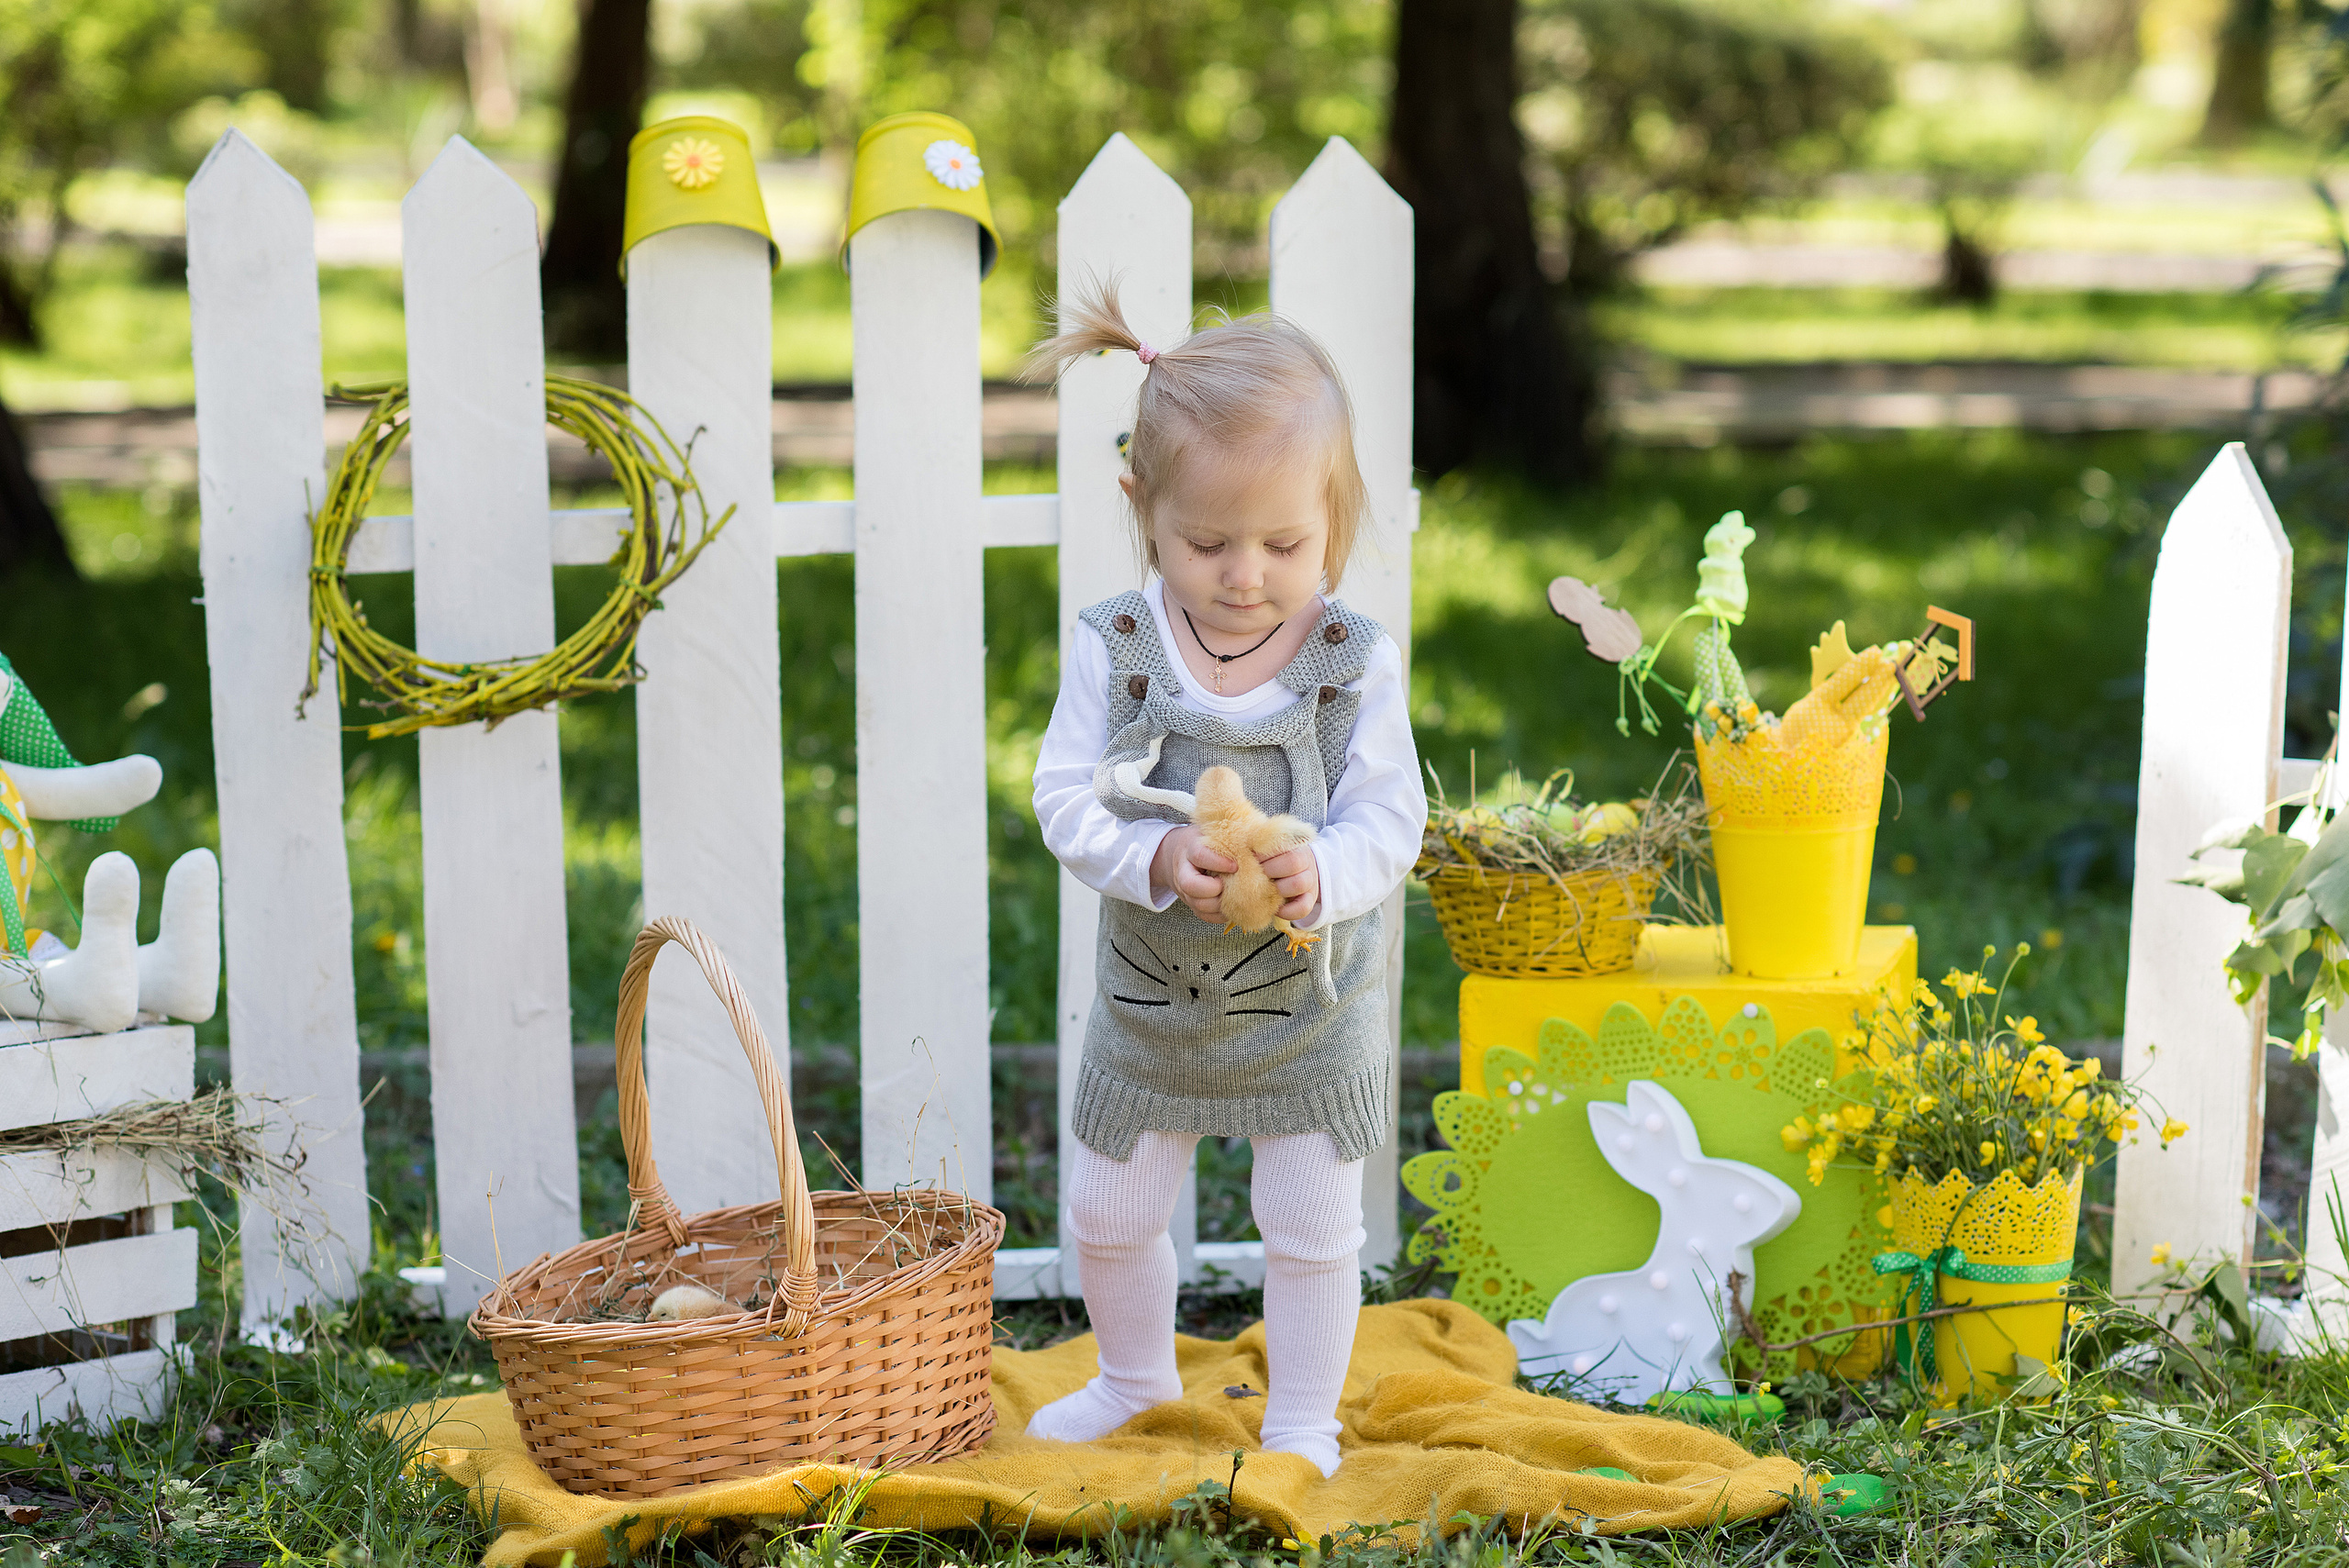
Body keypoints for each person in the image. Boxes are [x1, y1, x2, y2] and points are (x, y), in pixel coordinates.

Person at [1025, 284, 1425, 1478]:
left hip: (1305, 1012)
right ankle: (1135, 1375)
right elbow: (1063, 795)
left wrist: (1326, 870)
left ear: (1335, 524)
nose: (1246, 575)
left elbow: (1391, 815)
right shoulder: (1119, 647)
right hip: (1152, 1004)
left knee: (1310, 1225)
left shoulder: (1353, 665)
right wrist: (1149, 856)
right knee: (1108, 1208)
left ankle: (1304, 1415)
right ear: (1145, 515)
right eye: (1208, 542)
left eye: (1285, 544)